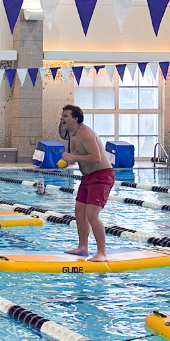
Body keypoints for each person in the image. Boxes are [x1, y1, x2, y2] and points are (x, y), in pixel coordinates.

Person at [59, 104, 115, 262]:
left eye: (65, 116)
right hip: (88, 177)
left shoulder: (85, 133)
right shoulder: (72, 134)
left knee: (91, 214)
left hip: (102, 176)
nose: (62, 118)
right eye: (62, 115)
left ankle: (102, 252)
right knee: (79, 212)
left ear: (75, 119)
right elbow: (78, 156)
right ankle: (83, 247)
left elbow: (96, 157)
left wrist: (73, 158)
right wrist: (69, 160)